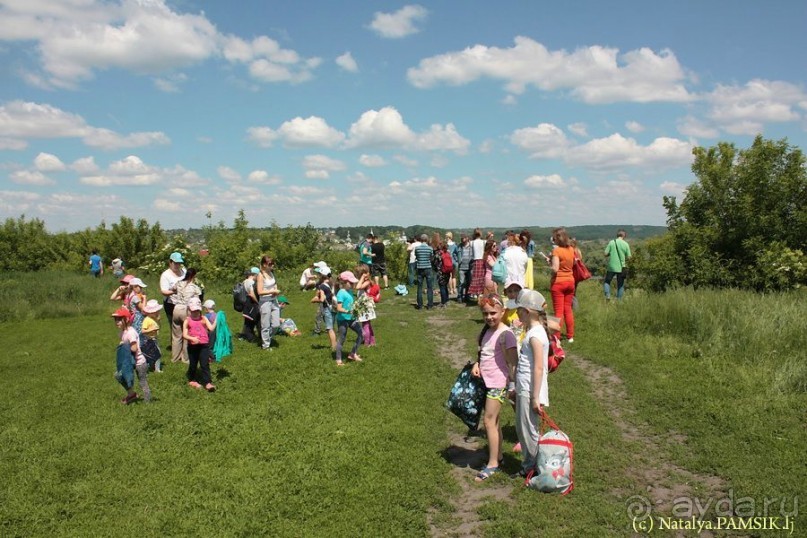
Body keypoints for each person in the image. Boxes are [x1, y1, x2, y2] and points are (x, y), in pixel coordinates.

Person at [471, 294, 517, 481]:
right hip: (486, 381)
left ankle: (492, 464)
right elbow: (483, 352)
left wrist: (513, 386)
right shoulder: (486, 331)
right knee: (494, 421)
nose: (489, 317)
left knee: (488, 421)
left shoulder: (506, 334)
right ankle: (497, 456)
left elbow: (513, 363)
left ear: (503, 312)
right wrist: (476, 364)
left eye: (493, 313)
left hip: (498, 383)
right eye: (485, 314)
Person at [512, 289, 550, 478]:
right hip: (525, 387)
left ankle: (532, 468)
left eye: (519, 310)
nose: (516, 313)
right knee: (523, 427)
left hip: (530, 389)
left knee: (528, 430)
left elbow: (538, 368)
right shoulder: (533, 331)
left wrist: (535, 397)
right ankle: (531, 465)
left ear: (527, 311)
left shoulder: (536, 335)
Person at [112, 306, 150, 404]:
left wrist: (124, 345)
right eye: (116, 320)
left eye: (119, 320)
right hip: (129, 361)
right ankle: (131, 393)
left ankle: (147, 401)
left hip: (139, 362)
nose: (117, 322)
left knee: (142, 382)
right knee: (119, 375)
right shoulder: (123, 332)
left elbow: (134, 348)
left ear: (127, 319)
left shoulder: (131, 333)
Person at [183, 297, 216, 392]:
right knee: (193, 364)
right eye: (193, 311)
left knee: (205, 364)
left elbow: (211, 328)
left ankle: (207, 382)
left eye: (197, 311)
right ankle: (192, 379)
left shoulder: (204, 318)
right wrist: (192, 338)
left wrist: (218, 319)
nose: (195, 313)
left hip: (204, 345)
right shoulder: (187, 320)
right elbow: (184, 335)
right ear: (189, 310)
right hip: (192, 346)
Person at [550, 227, 576, 343]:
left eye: (553, 238)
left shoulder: (557, 251)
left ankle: (557, 336)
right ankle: (570, 336)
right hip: (570, 281)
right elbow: (573, 263)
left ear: (557, 239)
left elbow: (555, 269)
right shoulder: (571, 249)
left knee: (559, 312)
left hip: (559, 282)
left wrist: (550, 264)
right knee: (568, 310)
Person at [171, 267, 202, 363]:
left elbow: (173, 289)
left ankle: (175, 358)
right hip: (186, 310)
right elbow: (197, 300)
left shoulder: (179, 283)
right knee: (187, 334)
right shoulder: (195, 288)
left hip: (176, 308)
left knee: (176, 335)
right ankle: (185, 358)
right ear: (194, 276)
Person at [334, 271, 364, 366]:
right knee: (342, 338)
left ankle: (353, 353)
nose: (352, 284)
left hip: (351, 318)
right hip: (343, 320)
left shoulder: (350, 291)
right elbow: (339, 308)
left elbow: (351, 304)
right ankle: (338, 359)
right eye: (350, 283)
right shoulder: (341, 293)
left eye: (353, 282)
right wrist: (348, 311)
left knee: (361, 333)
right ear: (344, 282)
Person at [159, 251, 186, 342]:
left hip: (184, 302)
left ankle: (185, 346)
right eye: (176, 263)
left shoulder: (184, 272)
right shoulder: (166, 275)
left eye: (179, 263)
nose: (178, 265)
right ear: (170, 262)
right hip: (171, 304)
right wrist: (174, 291)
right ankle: (176, 348)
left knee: (185, 325)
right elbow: (164, 291)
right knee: (175, 327)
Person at [257, 255, 281, 351]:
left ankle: (267, 337)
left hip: (274, 300)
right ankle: (266, 345)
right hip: (265, 302)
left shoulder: (271, 273)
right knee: (265, 325)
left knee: (276, 324)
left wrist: (275, 288)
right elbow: (260, 291)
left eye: (273, 264)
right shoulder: (260, 275)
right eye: (270, 264)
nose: (272, 266)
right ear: (264, 264)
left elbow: (274, 283)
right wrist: (272, 292)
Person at [311, 268, 337, 351]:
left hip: (327, 308)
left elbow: (322, 299)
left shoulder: (322, 286)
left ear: (322, 275)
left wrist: (314, 300)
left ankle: (334, 346)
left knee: (329, 329)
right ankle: (335, 345)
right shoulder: (329, 284)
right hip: (332, 307)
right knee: (331, 327)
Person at [604, 229, 632, 300]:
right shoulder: (626, 244)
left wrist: (611, 253)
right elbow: (629, 257)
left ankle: (607, 295)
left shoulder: (611, 242)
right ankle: (619, 301)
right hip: (621, 267)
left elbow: (605, 253)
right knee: (620, 285)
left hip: (611, 267)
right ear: (624, 235)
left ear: (617, 235)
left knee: (607, 281)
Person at [140, 299, 163, 373]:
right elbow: (143, 331)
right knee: (156, 354)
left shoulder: (154, 318)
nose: (158, 313)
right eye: (156, 312)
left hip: (154, 339)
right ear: (151, 312)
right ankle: (155, 369)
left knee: (155, 353)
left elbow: (159, 327)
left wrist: (158, 321)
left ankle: (154, 367)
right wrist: (151, 330)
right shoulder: (147, 320)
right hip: (149, 339)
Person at [239, 267, 260, 342]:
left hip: (247, 304)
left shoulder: (245, 281)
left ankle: (247, 335)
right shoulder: (250, 282)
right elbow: (251, 294)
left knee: (249, 321)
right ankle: (251, 337)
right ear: (255, 275)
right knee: (252, 321)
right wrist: (258, 302)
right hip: (251, 303)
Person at [414, 234, 434, 310]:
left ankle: (420, 305)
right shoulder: (430, 248)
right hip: (428, 267)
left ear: (421, 239)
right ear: (427, 240)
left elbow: (416, 256)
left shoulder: (417, 248)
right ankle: (430, 305)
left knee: (419, 287)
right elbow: (431, 258)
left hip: (420, 268)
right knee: (429, 287)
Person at [468, 228, 486, 298]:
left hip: (475, 261)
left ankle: (476, 292)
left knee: (475, 278)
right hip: (482, 261)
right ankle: (480, 292)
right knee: (481, 278)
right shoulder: (484, 241)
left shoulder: (472, 242)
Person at [432, 241, 451, 307]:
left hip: (441, 272)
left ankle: (443, 302)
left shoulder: (438, 254)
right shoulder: (448, 253)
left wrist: (435, 269)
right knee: (445, 286)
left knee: (442, 287)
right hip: (448, 272)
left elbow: (434, 262)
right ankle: (447, 300)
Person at [457, 234, 473, 303]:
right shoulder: (459, 246)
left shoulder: (471, 246)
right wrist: (457, 260)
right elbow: (454, 254)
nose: (462, 240)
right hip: (461, 267)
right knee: (461, 283)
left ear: (467, 238)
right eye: (461, 239)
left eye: (463, 238)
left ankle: (467, 296)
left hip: (469, 267)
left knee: (469, 283)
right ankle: (459, 296)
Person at [445, 232, 459, 298]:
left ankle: (450, 290)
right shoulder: (455, 245)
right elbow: (457, 253)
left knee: (449, 276)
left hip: (447, 262)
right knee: (454, 276)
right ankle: (455, 289)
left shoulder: (445, 245)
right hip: (454, 262)